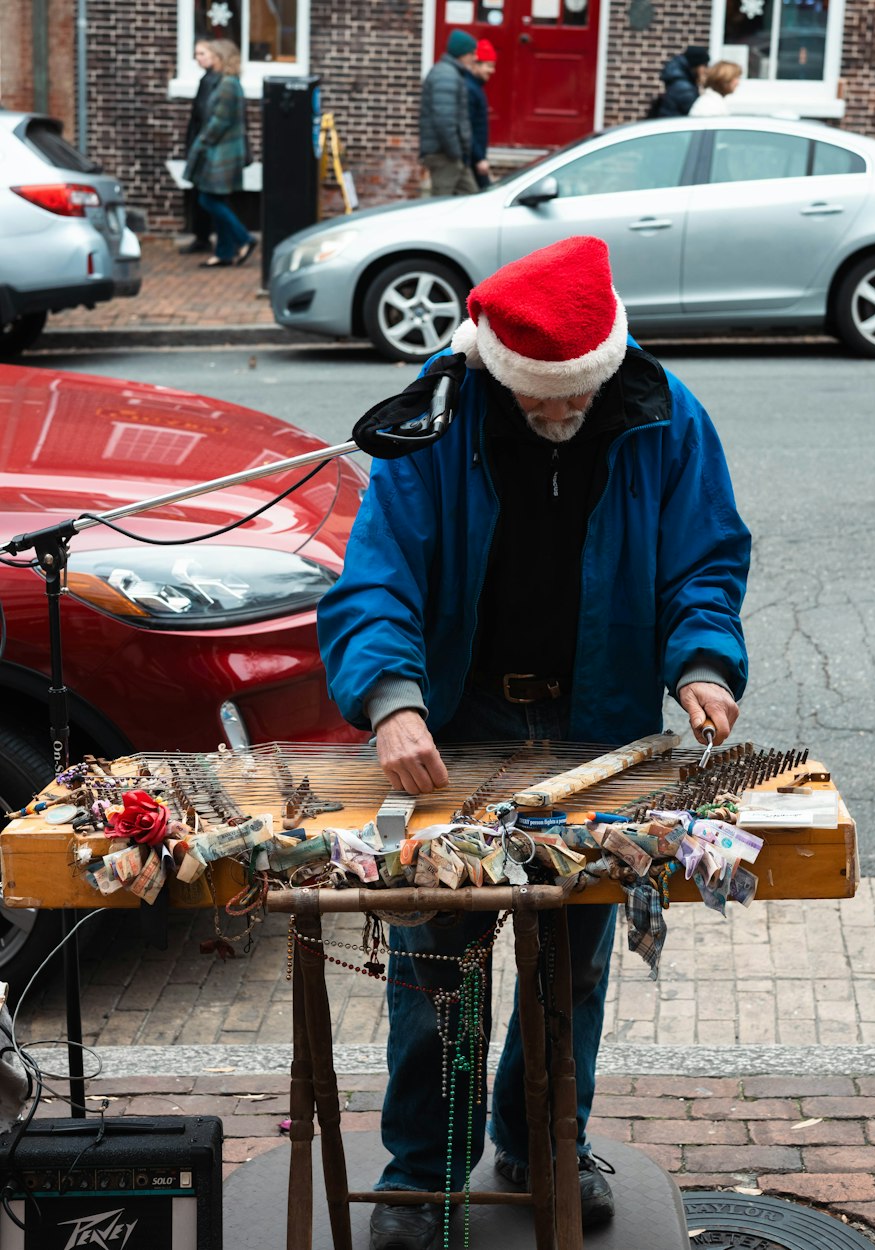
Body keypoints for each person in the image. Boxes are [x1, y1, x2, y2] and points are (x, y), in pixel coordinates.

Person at [317, 235, 751, 1250]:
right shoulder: (441, 412)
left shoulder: (661, 411)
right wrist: (393, 698)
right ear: (498, 372)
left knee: (572, 960)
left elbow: (704, 556)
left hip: (598, 723)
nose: (557, 418)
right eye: (538, 404)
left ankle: (544, 1137)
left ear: (602, 370)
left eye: (572, 403)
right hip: (462, 721)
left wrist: (700, 660)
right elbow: (376, 575)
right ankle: (425, 1171)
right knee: (439, 964)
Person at [182, 39, 256, 269]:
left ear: (221, 58)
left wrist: (202, 143)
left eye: (212, 54)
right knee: (217, 199)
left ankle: (244, 238)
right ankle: (224, 252)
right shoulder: (226, 83)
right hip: (222, 151)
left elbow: (219, 122)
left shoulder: (228, 85)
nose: (208, 58)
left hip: (221, 154)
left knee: (208, 199)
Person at [419, 30, 478, 196]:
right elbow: (444, 121)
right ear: (461, 53)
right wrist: (455, 152)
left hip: (451, 155)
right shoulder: (446, 75)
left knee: (473, 201)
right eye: (472, 53)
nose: (474, 58)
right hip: (444, 156)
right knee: (440, 207)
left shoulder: (450, 73)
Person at [179, 40, 220, 255]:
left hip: (203, 146)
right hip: (201, 143)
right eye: (196, 54)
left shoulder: (212, 81)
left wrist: (198, 144)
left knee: (204, 194)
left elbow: (203, 116)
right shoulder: (209, 80)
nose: (198, 58)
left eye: (202, 53)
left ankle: (204, 237)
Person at [465, 38, 497, 190]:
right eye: (489, 66)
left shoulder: (475, 88)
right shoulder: (470, 90)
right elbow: (468, 127)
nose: (492, 70)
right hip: (473, 159)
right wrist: (479, 158)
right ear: (476, 64)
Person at [648, 45, 710, 119]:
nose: (707, 70)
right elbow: (698, 114)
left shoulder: (681, 79)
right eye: (705, 65)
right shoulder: (684, 88)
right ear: (696, 66)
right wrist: (706, 86)